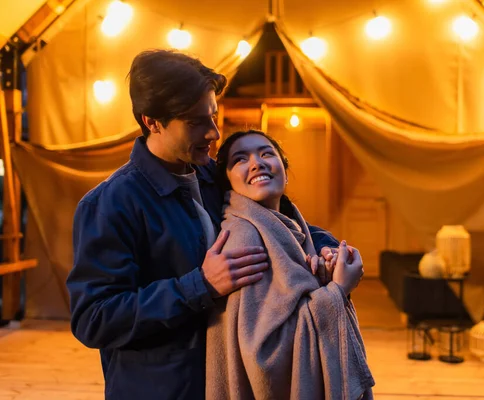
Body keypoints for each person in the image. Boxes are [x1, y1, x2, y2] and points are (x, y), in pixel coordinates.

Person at [66, 50, 339, 400]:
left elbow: (274, 221)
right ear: (152, 121)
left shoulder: (216, 177)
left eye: (213, 115)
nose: (213, 132)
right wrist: (200, 285)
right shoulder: (110, 204)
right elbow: (95, 318)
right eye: (196, 122)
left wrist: (327, 247)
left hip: (230, 384)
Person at [206, 129, 375, 399]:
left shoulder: (290, 227)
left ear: (284, 168)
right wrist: (338, 290)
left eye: (266, 153)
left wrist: (327, 273)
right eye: (240, 159)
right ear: (226, 180)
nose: (256, 163)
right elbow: (263, 354)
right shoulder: (244, 237)